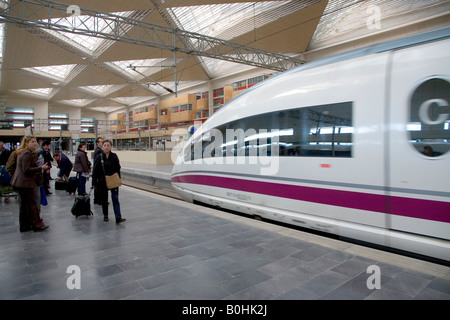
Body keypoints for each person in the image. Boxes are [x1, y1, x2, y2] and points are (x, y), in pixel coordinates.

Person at [10, 136, 50, 232]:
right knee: (32, 204)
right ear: (26, 143)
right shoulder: (27, 153)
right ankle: (37, 224)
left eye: (35, 141)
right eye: (32, 142)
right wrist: (41, 168)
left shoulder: (22, 153)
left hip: (20, 183)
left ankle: (25, 226)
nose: (34, 143)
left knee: (24, 206)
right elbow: (26, 170)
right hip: (25, 183)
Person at [92, 140, 126, 224]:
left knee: (115, 199)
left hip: (113, 181)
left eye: (108, 145)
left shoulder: (114, 156)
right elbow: (95, 171)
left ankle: (118, 217)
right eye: (105, 145)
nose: (106, 147)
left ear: (111, 147)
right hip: (102, 182)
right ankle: (105, 215)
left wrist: (118, 178)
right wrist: (94, 183)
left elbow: (118, 168)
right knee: (104, 200)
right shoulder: (99, 157)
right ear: (102, 147)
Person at [92, 137, 104, 204]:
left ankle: (97, 199)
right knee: (99, 186)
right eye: (101, 142)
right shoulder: (99, 151)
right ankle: (99, 200)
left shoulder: (97, 150)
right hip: (99, 171)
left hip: (97, 171)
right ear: (97, 143)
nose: (102, 143)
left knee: (97, 186)